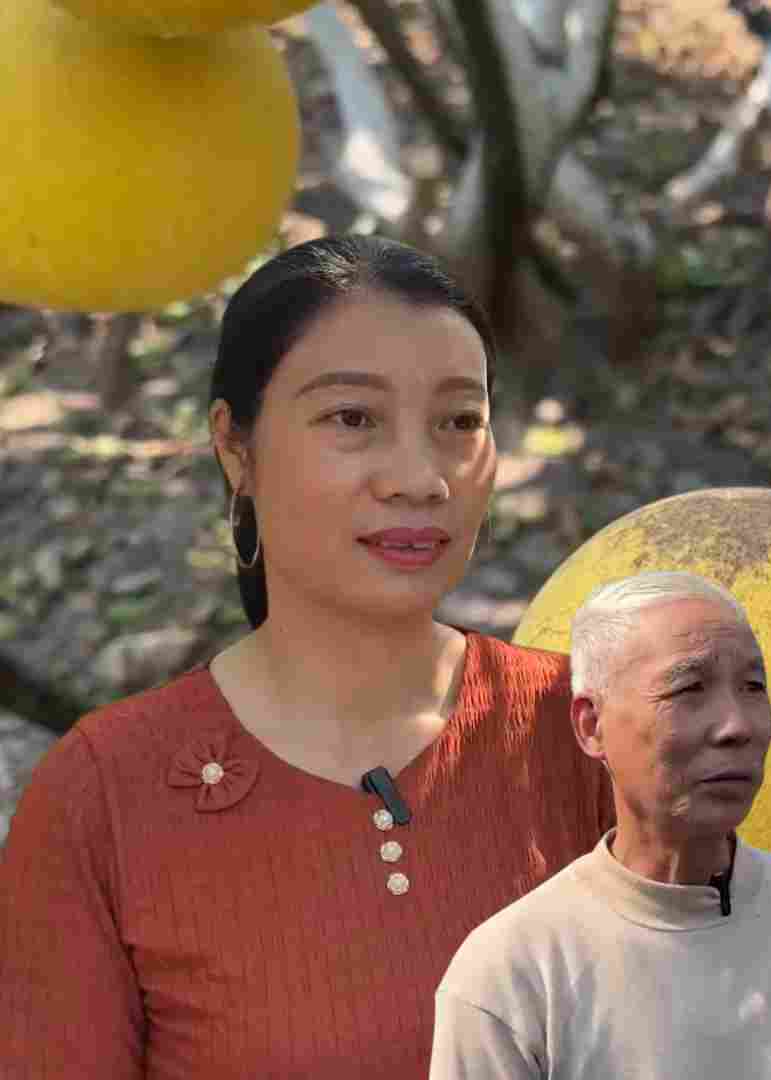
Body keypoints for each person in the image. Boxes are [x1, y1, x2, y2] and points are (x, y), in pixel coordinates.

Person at [0, 234, 614, 1077]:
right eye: (353, 418)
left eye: (460, 421)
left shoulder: (595, 735)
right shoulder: (102, 798)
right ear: (235, 447)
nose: (420, 476)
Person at [428, 571, 771, 1080]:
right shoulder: (513, 974)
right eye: (688, 689)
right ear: (592, 726)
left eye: (753, 687)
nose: (737, 725)